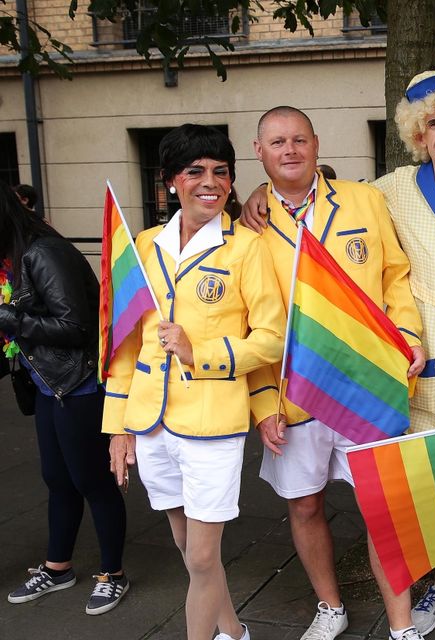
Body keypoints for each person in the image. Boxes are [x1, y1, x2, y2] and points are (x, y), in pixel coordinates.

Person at [241, 72, 435, 640]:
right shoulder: (389, 189)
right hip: (357, 378)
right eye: (432, 124)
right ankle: (432, 587)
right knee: (416, 487)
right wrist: (260, 195)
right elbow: (311, 203)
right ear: (416, 135)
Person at [241, 106, 426, 640]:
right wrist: (261, 405)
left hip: (365, 383)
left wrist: (408, 337)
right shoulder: (247, 228)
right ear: (260, 152)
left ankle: (400, 623)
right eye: (278, 142)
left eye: (299, 139)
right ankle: (330, 608)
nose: (290, 150)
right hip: (292, 393)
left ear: (317, 144)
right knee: (304, 503)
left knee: (382, 507)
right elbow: (247, 320)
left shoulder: (365, 201)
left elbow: (397, 276)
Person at [104, 124, 286, 640]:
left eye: (221, 172)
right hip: (151, 423)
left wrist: (198, 352)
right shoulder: (142, 246)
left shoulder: (247, 249)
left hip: (212, 423)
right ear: (170, 183)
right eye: (196, 172)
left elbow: (272, 339)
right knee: (190, 554)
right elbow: (126, 345)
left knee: (204, 557)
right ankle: (235, 631)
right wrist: (119, 428)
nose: (211, 182)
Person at [0, 185, 129, 615]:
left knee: (94, 481)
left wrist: (6, 318)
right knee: (58, 480)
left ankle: (113, 574)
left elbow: (76, 326)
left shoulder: (44, 252)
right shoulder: (13, 255)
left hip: (78, 385)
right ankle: (58, 568)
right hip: (48, 385)